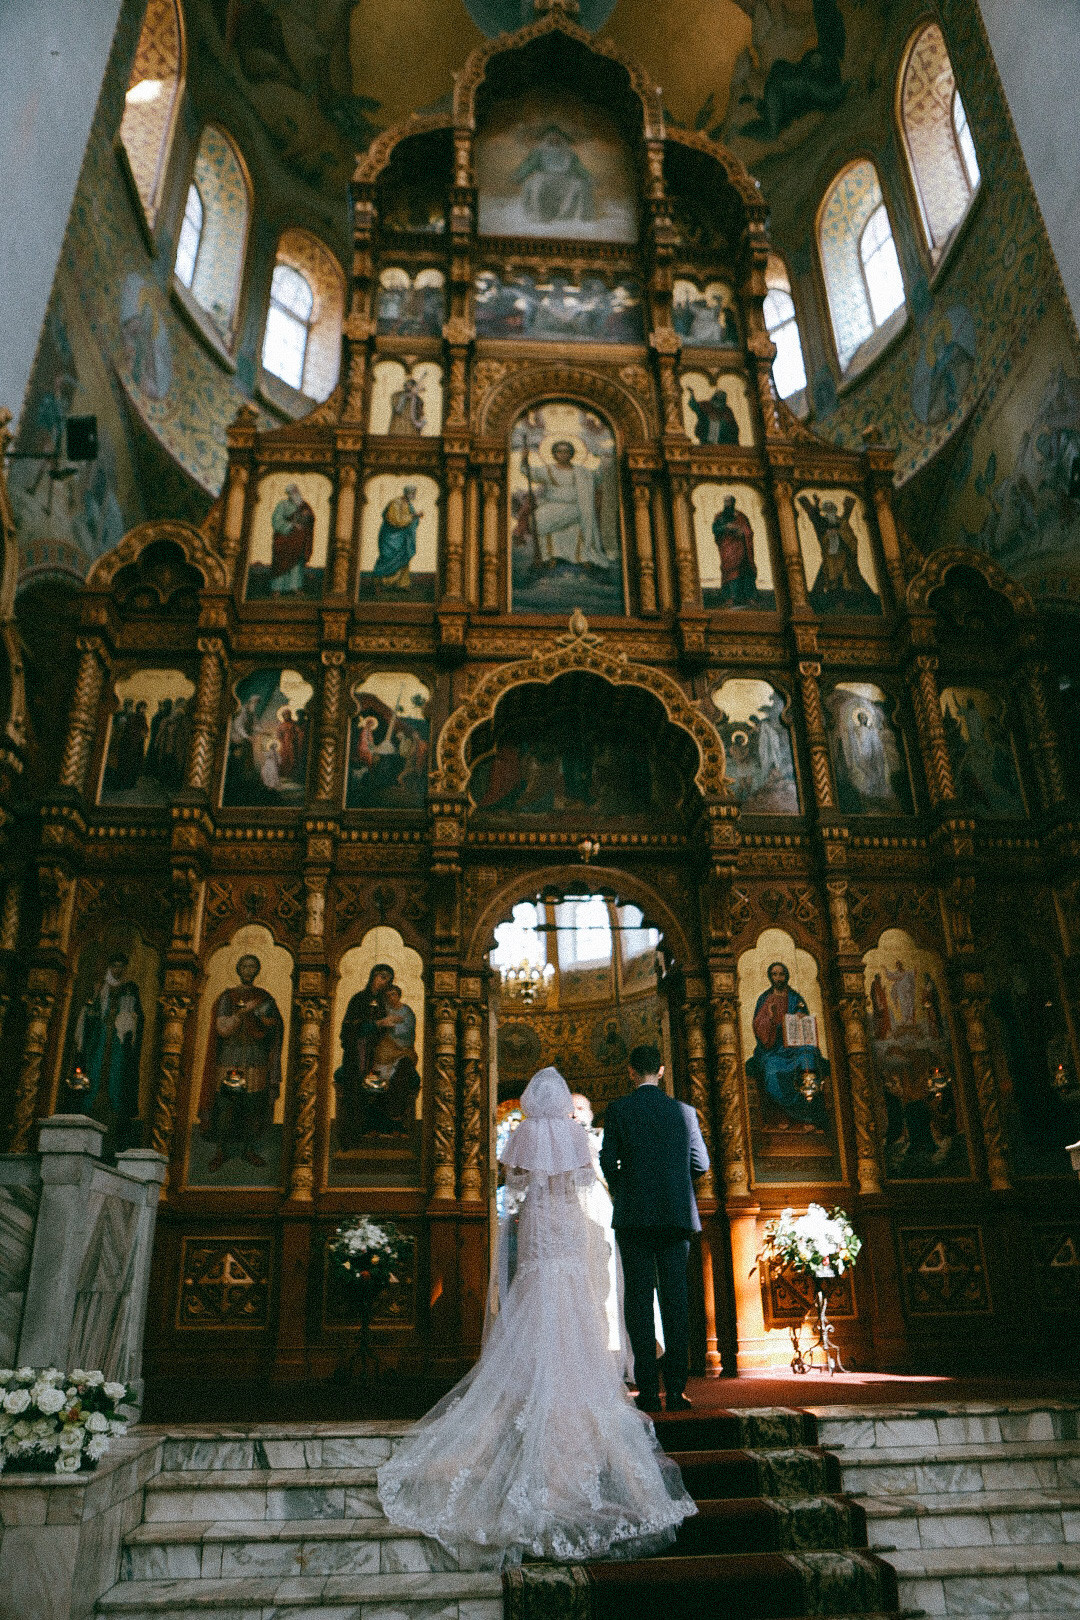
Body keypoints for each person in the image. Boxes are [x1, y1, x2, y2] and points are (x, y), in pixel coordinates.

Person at [377, 1067, 695, 1566]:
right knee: (573, 1304)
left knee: (534, 1298)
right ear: (563, 1100)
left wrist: (530, 1185)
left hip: (538, 1227)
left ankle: (527, 1390)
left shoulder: (523, 1133)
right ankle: (578, 1393)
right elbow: (589, 1178)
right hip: (569, 1224)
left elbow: (514, 1185)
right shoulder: (574, 1133)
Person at [599, 1044, 710, 1413]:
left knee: (639, 1302)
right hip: (676, 1217)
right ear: (661, 1071)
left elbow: (606, 1161)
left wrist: (625, 1190)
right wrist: (676, 1187)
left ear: (631, 1071)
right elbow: (701, 1163)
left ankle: (647, 1390)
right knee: (676, 1302)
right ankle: (676, 1390)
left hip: (634, 1218)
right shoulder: (684, 1112)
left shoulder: (618, 1110)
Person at [198, 954, 284, 1174]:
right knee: (225, 1104)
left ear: (257, 970)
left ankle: (248, 1149)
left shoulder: (264, 997)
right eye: (245, 965)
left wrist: (262, 1019)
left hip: (256, 1057)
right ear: (238, 968)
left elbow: (274, 1026)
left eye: (253, 966)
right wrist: (244, 1013)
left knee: (253, 1105)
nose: (248, 969)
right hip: (230, 1055)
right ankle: (221, 1151)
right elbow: (222, 1029)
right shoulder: (227, 997)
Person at [66, 950, 144, 1153]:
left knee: (116, 1082)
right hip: (99, 1041)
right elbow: (89, 1014)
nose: (117, 970)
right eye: (114, 965)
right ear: (109, 966)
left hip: (118, 1044)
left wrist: (129, 1021)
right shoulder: (99, 987)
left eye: (121, 966)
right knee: (92, 1077)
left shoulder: (130, 989)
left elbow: (138, 1017)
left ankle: (112, 1138)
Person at [745, 961, 829, 1130]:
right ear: (770, 977)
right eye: (774, 974)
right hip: (773, 1049)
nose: (778, 978)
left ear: (786, 976)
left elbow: (806, 1022)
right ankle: (783, 1115)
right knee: (772, 1070)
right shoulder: (765, 999)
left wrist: (800, 1017)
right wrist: (769, 1017)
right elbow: (758, 1026)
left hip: (796, 1047)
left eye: (781, 974)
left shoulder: (796, 998)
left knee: (808, 1062)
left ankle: (808, 1116)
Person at [269, 482, 316, 595]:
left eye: (295, 491)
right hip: (284, 539)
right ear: (288, 494)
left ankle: (295, 587)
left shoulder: (304, 506)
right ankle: (277, 589)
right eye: (291, 492)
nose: (294, 494)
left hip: (299, 540)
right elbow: (276, 520)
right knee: (281, 563)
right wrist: (291, 525)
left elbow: (311, 518)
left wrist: (306, 518)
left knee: (296, 564)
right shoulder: (282, 505)